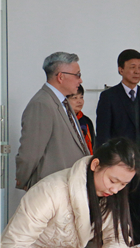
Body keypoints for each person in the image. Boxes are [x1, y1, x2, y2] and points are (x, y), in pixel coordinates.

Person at [2, 138, 139, 248]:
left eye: (123, 184)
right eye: (112, 181)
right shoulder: (50, 191)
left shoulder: (109, 195)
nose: (115, 189)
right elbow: (11, 246)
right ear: (95, 165)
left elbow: (119, 238)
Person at [96, 49, 140, 245]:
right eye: (132, 67)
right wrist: (103, 163)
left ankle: (137, 244)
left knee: (137, 207)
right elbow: (103, 133)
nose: (137, 71)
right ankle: (116, 244)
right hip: (117, 164)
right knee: (116, 207)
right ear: (120, 69)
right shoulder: (109, 96)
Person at [16, 52, 90, 191]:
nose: (80, 80)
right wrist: (24, 181)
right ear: (61, 77)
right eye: (77, 75)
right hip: (51, 188)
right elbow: (30, 152)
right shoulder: (42, 104)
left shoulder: (63, 102)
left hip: (69, 184)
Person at [67, 85, 95, 154]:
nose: (79, 101)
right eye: (75, 98)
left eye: (81, 97)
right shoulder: (62, 119)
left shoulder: (86, 120)